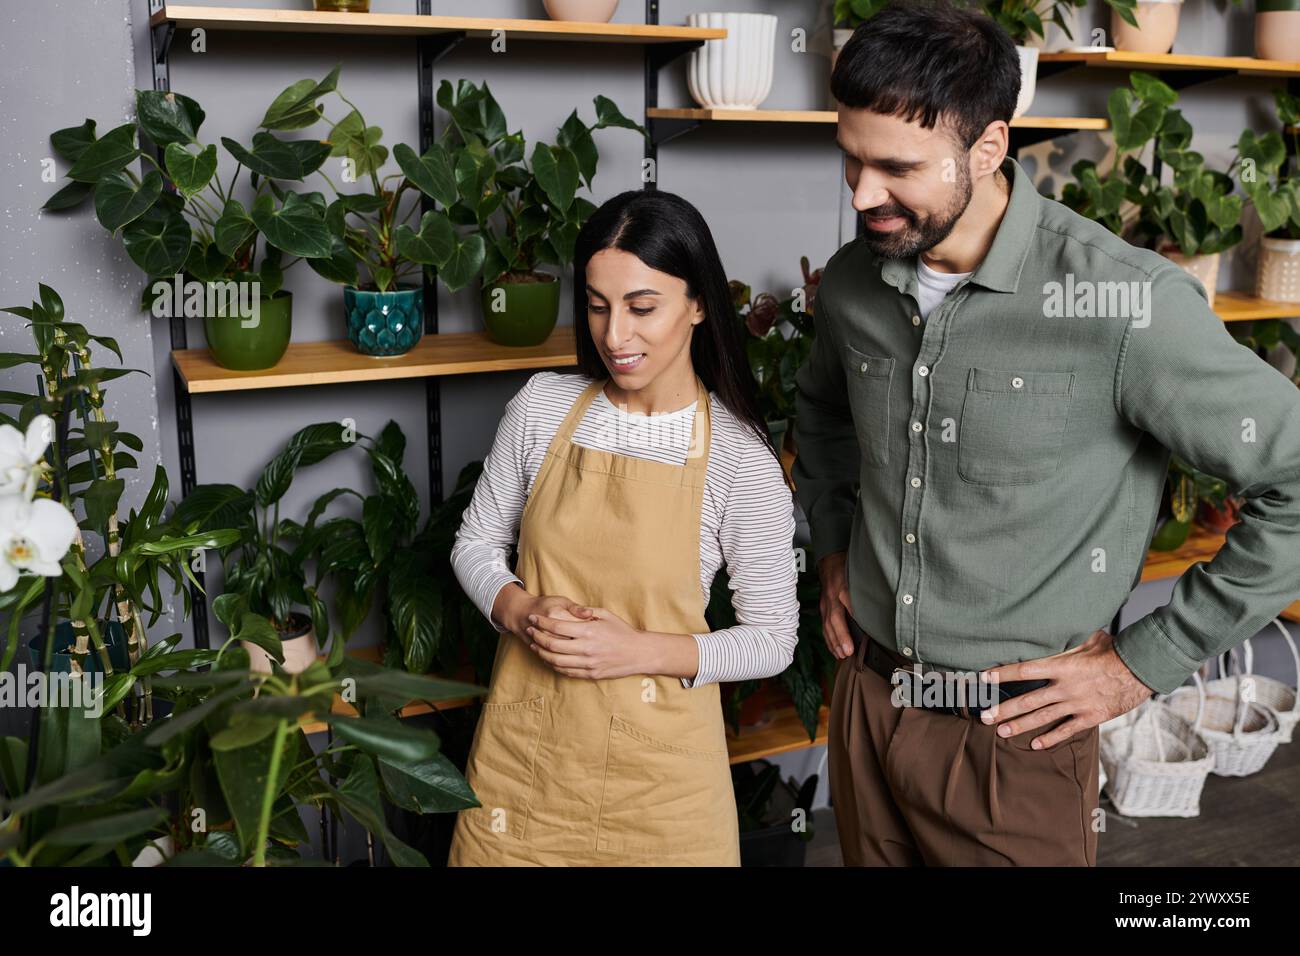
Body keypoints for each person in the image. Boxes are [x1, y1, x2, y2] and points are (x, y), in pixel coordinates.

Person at [794, 0, 1300, 866]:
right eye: (849, 160)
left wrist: (1144, 661)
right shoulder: (851, 282)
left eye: (895, 167)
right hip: (868, 708)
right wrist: (836, 543)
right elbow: (824, 409)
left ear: (988, 148)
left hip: (1013, 746)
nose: (861, 195)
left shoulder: (1125, 304)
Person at [446, 189, 800, 866]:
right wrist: (519, 610)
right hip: (524, 772)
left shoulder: (738, 459)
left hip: (662, 794)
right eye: (598, 305)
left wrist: (637, 652)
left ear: (698, 303)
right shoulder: (542, 408)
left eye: (643, 308)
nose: (615, 336)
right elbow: (475, 543)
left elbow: (772, 639)